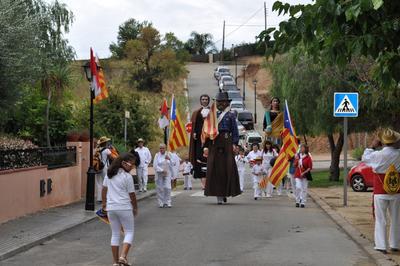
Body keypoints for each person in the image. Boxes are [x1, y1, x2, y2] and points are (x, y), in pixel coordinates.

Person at [362, 128, 400, 254]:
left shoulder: (377, 155)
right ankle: (395, 243)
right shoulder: (398, 154)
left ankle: (381, 245)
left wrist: (372, 146)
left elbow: (365, 158)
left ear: (382, 142)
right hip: (396, 191)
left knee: (380, 219)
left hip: (380, 190)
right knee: (396, 218)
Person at [101, 152, 138, 266]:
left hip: (111, 208)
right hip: (124, 207)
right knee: (129, 232)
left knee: (115, 234)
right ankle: (123, 256)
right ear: (123, 163)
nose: (132, 166)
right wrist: (135, 208)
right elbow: (132, 195)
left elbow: (104, 190)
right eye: (131, 164)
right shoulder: (127, 177)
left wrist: (104, 204)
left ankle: (115, 262)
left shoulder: (109, 175)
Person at [205, 92, 241, 204]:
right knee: (215, 170)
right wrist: (205, 146)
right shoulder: (211, 115)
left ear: (227, 103)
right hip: (214, 143)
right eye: (219, 101)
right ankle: (218, 195)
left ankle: (226, 192)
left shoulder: (231, 115)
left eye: (223, 102)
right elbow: (206, 130)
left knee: (227, 168)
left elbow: (235, 131)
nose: (221, 103)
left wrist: (235, 144)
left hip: (227, 142)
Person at [189, 94, 210, 181]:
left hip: (209, 138)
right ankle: (200, 176)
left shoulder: (212, 112)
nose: (204, 101)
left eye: (206, 99)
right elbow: (194, 124)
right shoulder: (196, 112)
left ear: (208, 101)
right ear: (200, 101)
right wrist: (194, 132)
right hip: (199, 139)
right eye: (203, 99)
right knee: (199, 156)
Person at [153, 144, 173, 208]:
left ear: (165, 148)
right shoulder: (157, 155)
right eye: (160, 148)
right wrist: (161, 170)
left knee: (167, 187)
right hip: (159, 173)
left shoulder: (169, 154)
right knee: (160, 188)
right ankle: (161, 202)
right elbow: (155, 165)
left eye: (163, 148)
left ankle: (168, 202)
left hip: (167, 173)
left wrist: (169, 159)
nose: (161, 149)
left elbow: (174, 163)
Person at [96, 136, 112, 203]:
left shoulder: (97, 150)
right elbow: (112, 157)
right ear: (105, 143)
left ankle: (99, 198)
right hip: (105, 167)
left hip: (98, 167)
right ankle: (104, 197)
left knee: (99, 183)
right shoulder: (107, 150)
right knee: (105, 182)